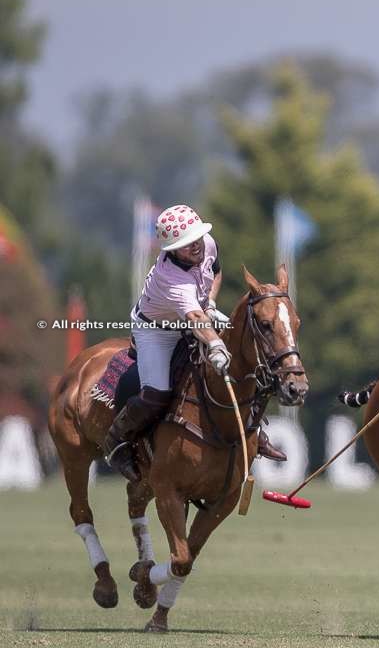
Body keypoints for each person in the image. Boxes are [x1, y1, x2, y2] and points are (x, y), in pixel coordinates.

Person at [104, 205, 286, 481]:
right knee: (157, 394)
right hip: (158, 331)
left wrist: (211, 302)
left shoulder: (206, 244)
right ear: (172, 250)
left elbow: (216, 270)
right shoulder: (171, 278)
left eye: (196, 239)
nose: (196, 247)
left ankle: (254, 431)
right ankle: (117, 441)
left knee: (247, 362)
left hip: (199, 313)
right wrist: (215, 345)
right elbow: (193, 318)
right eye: (186, 245)